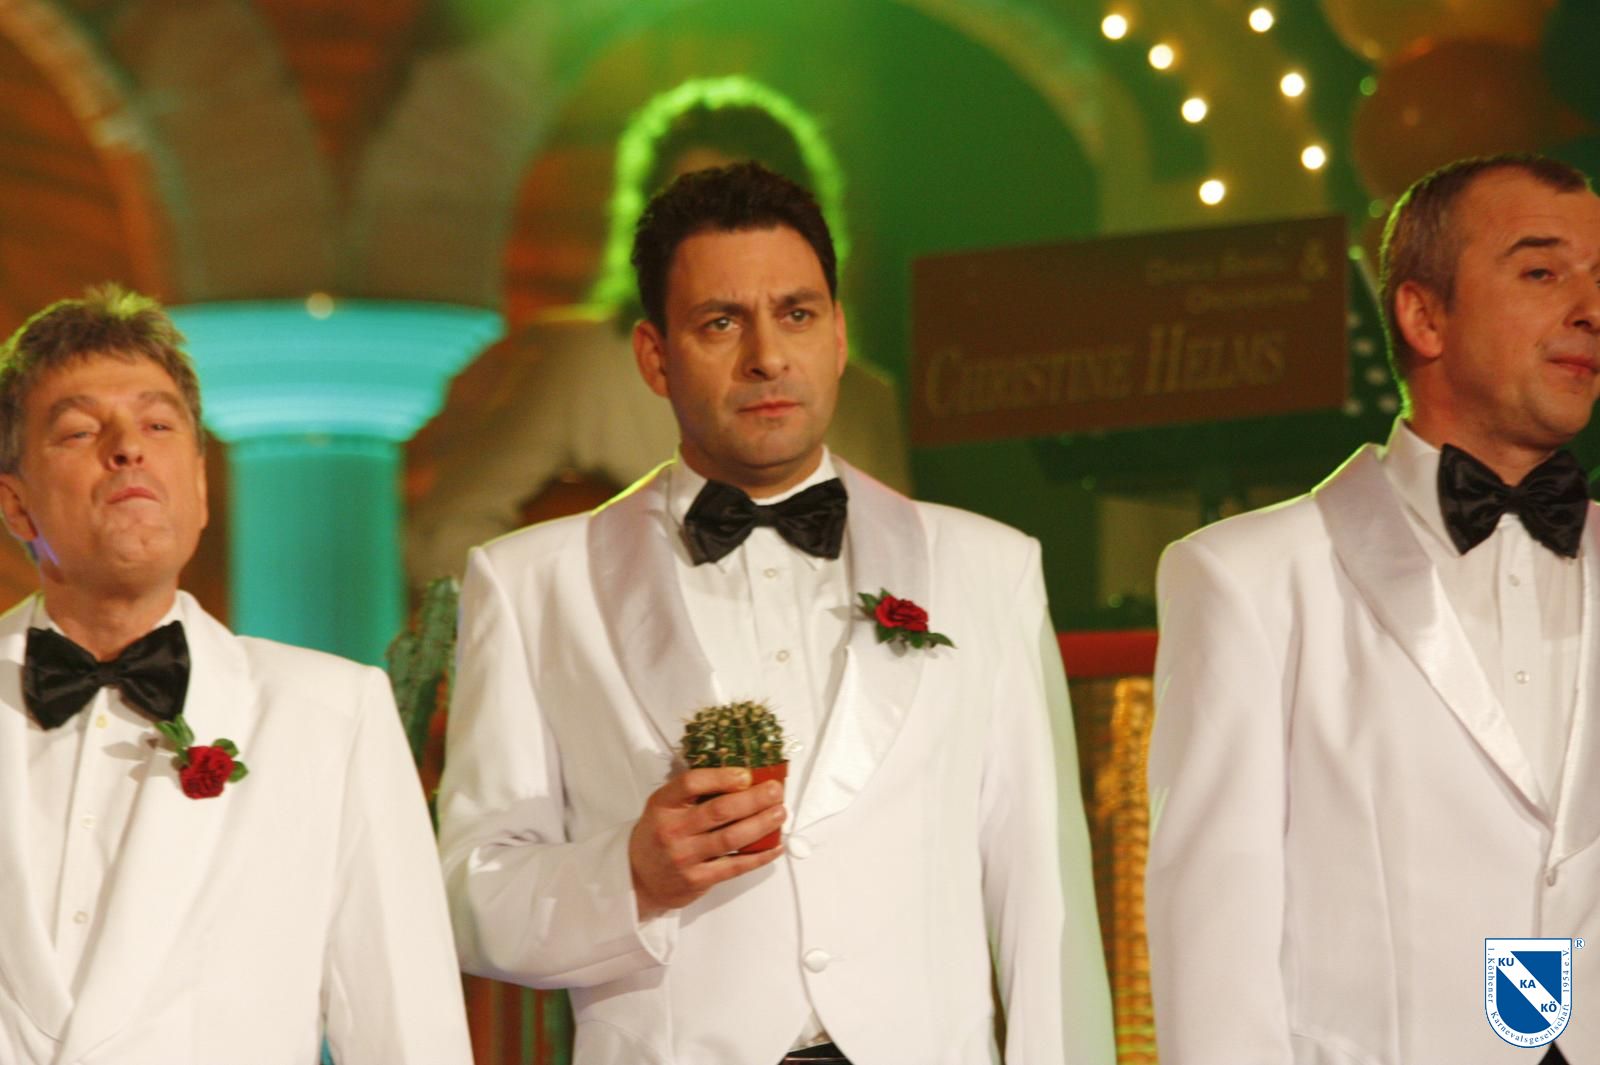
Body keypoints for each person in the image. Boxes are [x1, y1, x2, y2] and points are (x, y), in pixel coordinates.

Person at [437, 162, 1114, 1064]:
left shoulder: (989, 567)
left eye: (796, 314)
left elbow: (1044, 898)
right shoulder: (530, 585)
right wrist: (628, 873)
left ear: (838, 335)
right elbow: (470, 893)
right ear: (654, 356)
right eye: (721, 322)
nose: (766, 356)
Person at [1145, 153, 1600, 1064]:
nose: (1590, 307)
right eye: (1542, 272)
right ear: (1424, 315)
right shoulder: (1247, 580)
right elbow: (1214, 955)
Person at [0, 286, 472, 1064]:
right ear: (17, 506)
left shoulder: (331, 713)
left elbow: (408, 1035)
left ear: (199, 488)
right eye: (81, 430)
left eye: (157, 425)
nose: (127, 448)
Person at [405, 76, 911, 588]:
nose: (725, 240)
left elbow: (897, 579)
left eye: (748, 210)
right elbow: (441, 540)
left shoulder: (868, 401)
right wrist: (583, 615)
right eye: (695, 211)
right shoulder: (581, 362)